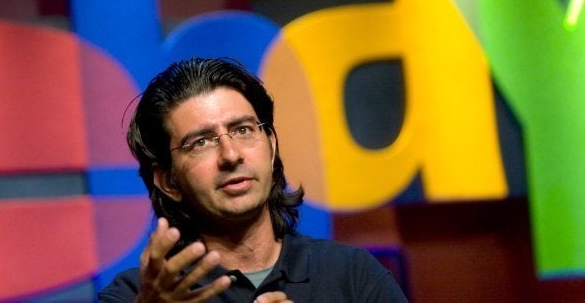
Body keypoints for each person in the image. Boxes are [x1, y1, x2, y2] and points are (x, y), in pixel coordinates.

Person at [99, 57, 408, 302]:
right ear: (169, 182)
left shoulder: (353, 276)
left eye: (243, 129)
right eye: (201, 142)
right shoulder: (133, 296)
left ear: (271, 145)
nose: (231, 154)